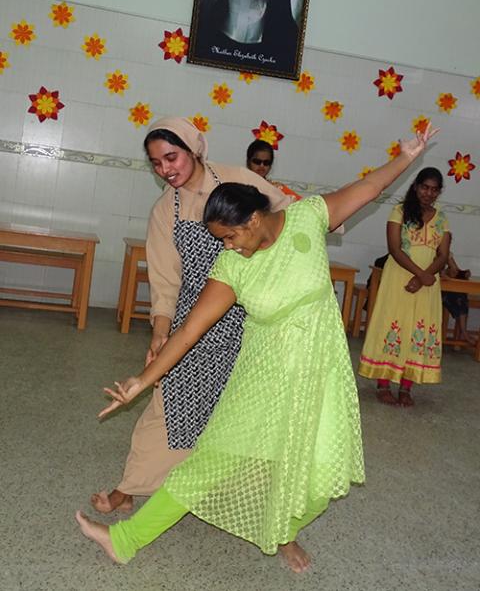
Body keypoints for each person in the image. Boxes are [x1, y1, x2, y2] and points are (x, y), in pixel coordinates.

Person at [77, 125, 437, 572]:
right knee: (208, 463)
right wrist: (142, 380)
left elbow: (367, 187)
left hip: (321, 371)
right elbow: (188, 333)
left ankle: (282, 530)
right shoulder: (231, 267)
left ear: (253, 219)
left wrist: (406, 156)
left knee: (319, 471)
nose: (224, 248)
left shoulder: (308, 217)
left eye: (228, 237)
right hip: (261, 378)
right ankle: (125, 539)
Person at [90, 117, 292, 514]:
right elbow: (165, 281)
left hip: (252, 320)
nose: (166, 170)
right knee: (171, 404)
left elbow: (285, 217)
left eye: (172, 157)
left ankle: (244, 501)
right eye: (156, 163)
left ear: (194, 149)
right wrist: (160, 333)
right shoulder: (166, 209)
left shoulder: (239, 180)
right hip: (195, 325)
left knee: (245, 414)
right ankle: (131, 485)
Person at [358, 167, 450, 407]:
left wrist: (423, 277)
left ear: (439, 192)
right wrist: (419, 274)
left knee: (417, 328)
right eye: (424, 187)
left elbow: (443, 255)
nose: (428, 193)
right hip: (400, 277)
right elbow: (395, 249)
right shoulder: (399, 211)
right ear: (416, 186)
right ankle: (384, 383)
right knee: (393, 323)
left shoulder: (442, 218)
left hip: (427, 282)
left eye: (434, 189)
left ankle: (407, 387)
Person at [441, 247, 476, 346]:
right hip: (434, 288)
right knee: (458, 297)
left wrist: (464, 274)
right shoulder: (430, 251)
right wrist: (444, 275)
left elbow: (455, 271)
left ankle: (462, 333)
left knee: (461, 296)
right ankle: (464, 333)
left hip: (447, 286)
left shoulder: (445, 252)